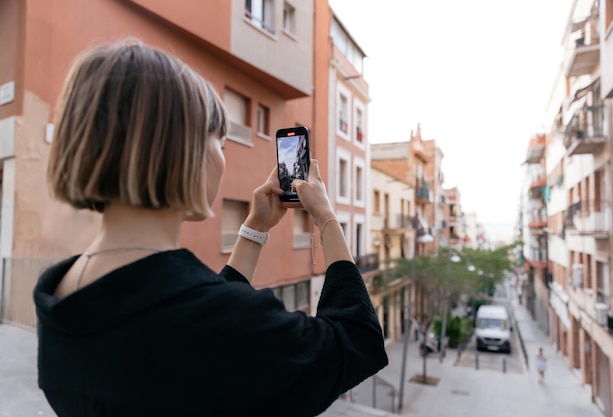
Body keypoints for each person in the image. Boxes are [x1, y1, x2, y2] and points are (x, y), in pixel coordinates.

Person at [33, 40, 388, 417]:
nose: (223, 154)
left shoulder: (61, 295)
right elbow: (355, 341)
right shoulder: (208, 320)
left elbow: (190, 317)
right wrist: (327, 219)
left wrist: (254, 228)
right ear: (179, 150)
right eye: (218, 139)